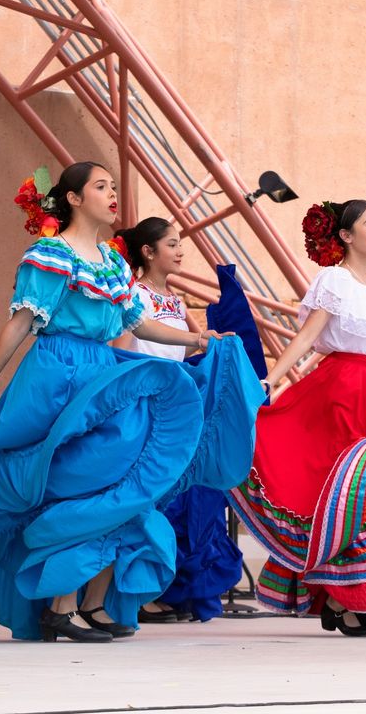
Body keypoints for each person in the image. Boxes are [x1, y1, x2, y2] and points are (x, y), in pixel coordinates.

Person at [0, 162, 263, 642]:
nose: (112, 194)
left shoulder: (115, 262)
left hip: (104, 377)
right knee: (76, 481)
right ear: (74, 199)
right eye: (101, 186)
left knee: (111, 480)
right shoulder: (51, 254)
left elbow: (138, 325)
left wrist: (199, 340)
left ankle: (82, 604)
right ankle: (60, 606)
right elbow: (20, 323)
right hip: (57, 374)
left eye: (113, 187)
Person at [228, 199, 366, 638]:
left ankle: (359, 600)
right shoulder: (334, 281)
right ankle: (343, 599)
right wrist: (270, 379)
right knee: (349, 496)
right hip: (343, 392)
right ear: (346, 236)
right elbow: (308, 337)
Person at [112, 217, 245, 624]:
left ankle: (156, 585)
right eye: (172, 244)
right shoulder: (133, 296)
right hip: (143, 406)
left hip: (172, 409)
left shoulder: (176, 301)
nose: (180, 251)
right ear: (148, 252)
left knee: (167, 497)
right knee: (141, 494)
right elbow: (120, 351)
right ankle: (130, 591)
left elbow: (189, 356)